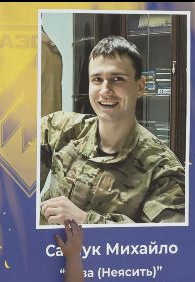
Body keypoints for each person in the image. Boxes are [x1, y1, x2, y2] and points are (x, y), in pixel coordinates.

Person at [39, 36, 185, 225]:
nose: (105, 89)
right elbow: (13, 188)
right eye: (97, 79)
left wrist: (85, 221)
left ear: (140, 86)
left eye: (117, 79)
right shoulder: (58, 128)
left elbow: (164, 246)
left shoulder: (163, 170)